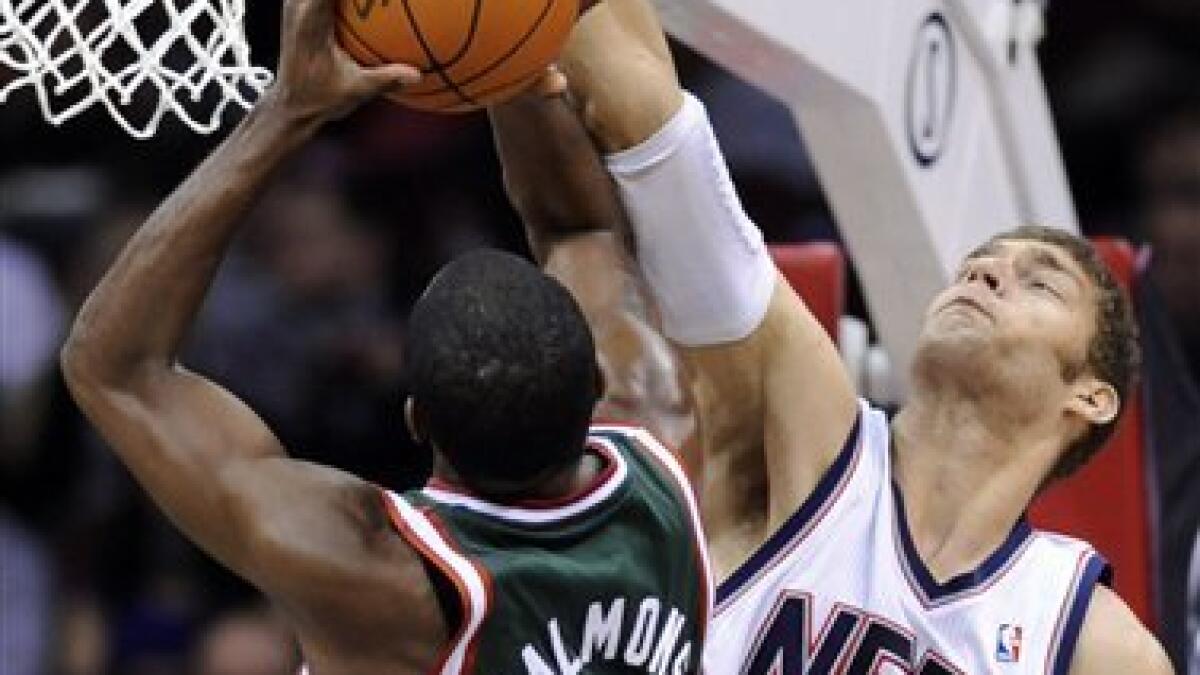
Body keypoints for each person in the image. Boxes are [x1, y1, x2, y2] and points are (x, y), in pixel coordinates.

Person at [58, 0, 711, 671]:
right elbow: (582, 229)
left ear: (415, 419)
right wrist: (503, 57)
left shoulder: (387, 580)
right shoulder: (660, 436)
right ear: (600, 380)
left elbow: (113, 364)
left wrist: (289, 112)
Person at [548, 0, 1174, 671]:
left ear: (1092, 397)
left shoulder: (1092, 639)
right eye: (978, 263)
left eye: (1040, 282)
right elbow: (657, 134)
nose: (989, 273)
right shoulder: (809, 440)